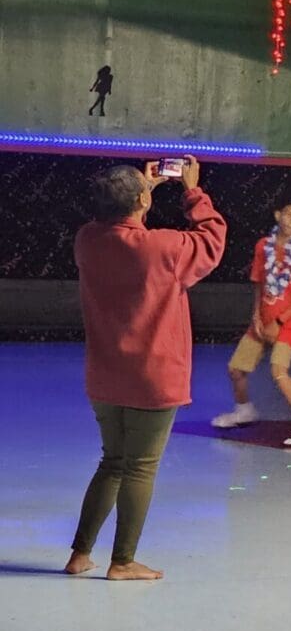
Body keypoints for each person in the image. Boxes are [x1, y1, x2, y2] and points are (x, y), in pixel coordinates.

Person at [67, 156, 226, 581]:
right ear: (141, 200)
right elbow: (211, 241)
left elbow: (116, 223)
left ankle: (80, 554)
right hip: (152, 378)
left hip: (104, 375)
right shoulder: (164, 248)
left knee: (112, 462)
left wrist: (141, 193)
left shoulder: (87, 240)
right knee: (139, 467)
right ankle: (123, 561)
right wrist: (193, 191)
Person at [211, 195, 291, 447]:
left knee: (278, 371)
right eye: (288, 214)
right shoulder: (264, 246)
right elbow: (259, 283)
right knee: (236, 369)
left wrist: (279, 322)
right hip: (263, 319)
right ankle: (244, 410)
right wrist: (256, 316)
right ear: (277, 216)